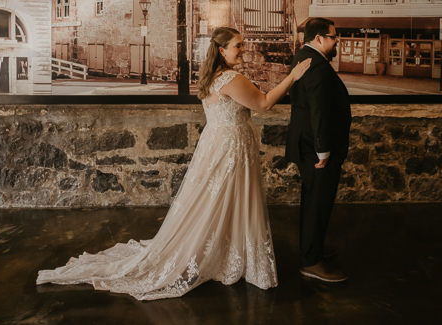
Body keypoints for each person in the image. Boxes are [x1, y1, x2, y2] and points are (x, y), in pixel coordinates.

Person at [37, 27, 311, 300]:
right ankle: (230, 254)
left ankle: (227, 252)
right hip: (231, 148)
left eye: (242, 44)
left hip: (217, 143)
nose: (243, 49)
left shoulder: (211, 76)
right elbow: (263, 104)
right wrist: (292, 77)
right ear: (222, 50)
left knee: (217, 200)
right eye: (238, 45)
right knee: (230, 199)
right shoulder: (230, 77)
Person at [286, 17, 351, 282]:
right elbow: (319, 109)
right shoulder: (314, 64)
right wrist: (323, 150)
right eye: (334, 37)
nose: (337, 41)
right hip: (315, 147)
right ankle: (311, 261)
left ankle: (313, 248)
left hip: (308, 141)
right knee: (318, 201)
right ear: (320, 39)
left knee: (315, 199)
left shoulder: (304, 57)